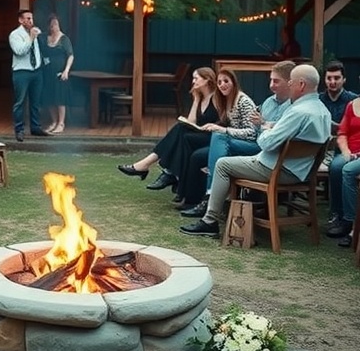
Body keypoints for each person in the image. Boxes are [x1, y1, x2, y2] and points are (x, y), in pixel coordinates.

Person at [180, 63, 331, 238]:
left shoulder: (297, 112)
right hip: (301, 171)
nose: (289, 85)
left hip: (276, 169)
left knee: (222, 164)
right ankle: (221, 209)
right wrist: (272, 126)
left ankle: (209, 220)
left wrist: (265, 128)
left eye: (291, 82)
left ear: (301, 85)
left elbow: (266, 143)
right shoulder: (323, 111)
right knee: (221, 146)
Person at [179, 61, 294, 218]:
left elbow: (253, 133)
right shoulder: (263, 102)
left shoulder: (244, 101)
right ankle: (188, 195)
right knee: (192, 145)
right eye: (219, 82)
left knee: (218, 137)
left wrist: (225, 130)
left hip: (258, 147)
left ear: (234, 82)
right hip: (252, 142)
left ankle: (210, 197)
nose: (222, 85)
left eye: (226, 81)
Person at [117, 67, 220, 187]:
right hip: (198, 135)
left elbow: (223, 120)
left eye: (196, 78)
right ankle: (167, 173)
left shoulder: (216, 99)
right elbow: (191, 122)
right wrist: (196, 100)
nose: (193, 81)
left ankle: (150, 167)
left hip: (213, 136)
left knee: (180, 130)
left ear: (207, 80)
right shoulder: (200, 98)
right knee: (181, 131)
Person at [8, 8, 49, 142]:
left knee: (36, 102)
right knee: (20, 102)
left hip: (36, 71)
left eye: (31, 18)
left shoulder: (35, 33)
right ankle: (19, 130)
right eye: (28, 18)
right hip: (21, 72)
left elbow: (38, 51)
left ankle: (36, 127)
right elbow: (20, 51)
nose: (31, 21)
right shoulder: (15, 35)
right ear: (21, 20)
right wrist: (31, 38)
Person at [325, 94, 360, 246]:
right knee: (336, 166)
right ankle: (337, 214)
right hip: (350, 151)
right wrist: (346, 152)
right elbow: (342, 133)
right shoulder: (352, 105)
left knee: (348, 170)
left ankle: (351, 221)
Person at [41, 14, 74, 134]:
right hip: (47, 72)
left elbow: (70, 55)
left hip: (60, 73)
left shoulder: (64, 39)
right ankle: (54, 122)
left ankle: (61, 123)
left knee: (60, 98)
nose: (54, 27)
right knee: (49, 98)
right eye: (52, 25)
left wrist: (66, 70)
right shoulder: (45, 38)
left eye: (56, 24)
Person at [319, 60, 357, 136]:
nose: (332, 82)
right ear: (324, 80)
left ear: (344, 79)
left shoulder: (354, 100)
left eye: (336, 78)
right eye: (329, 78)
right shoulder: (318, 100)